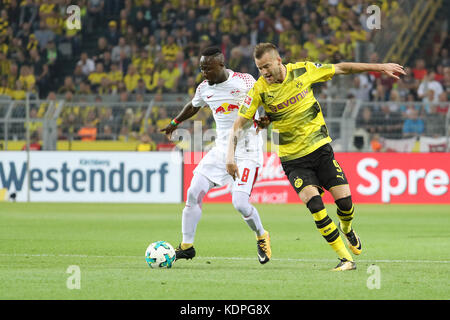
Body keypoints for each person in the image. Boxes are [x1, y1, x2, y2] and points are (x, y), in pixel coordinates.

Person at [226, 43, 406, 271]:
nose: (264, 72)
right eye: (260, 68)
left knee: (345, 204)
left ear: (279, 60)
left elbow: (343, 68)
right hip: (293, 159)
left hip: (320, 150)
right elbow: (238, 124)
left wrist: (380, 67)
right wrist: (230, 156)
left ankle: (347, 228)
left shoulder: (303, 70)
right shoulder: (259, 90)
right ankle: (345, 259)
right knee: (316, 207)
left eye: (267, 66)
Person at [161, 47, 271, 264]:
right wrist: (175, 122)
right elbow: (193, 106)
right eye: (201, 68)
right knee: (193, 192)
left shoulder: (245, 81)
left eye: (208, 68)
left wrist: (265, 117)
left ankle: (261, 235)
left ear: (221, 65)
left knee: (240, 203)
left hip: (248, 149)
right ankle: (186, 246)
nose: (204, 73)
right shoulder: (204, 88)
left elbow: (264, 98)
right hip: (221, 148)